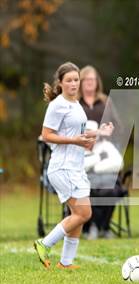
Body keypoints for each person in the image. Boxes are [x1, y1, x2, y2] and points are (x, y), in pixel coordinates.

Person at [33, 62, 114, 269]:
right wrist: (75, 142)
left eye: (76, 80)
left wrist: (99, 133)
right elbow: (47, 135)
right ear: (60, 83)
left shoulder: (76, 104)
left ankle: (65, 262)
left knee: (77, 216)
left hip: (76, 167)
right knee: (83, 213)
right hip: (62, 167)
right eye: (69, 80)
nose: (73, 84)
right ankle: (45, 243)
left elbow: (79, 134)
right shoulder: (57, 105)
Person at [79, 65, 121, 237]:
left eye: (93, 80)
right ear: (81, 83)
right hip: (82, 154)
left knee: (113, 188)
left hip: (104, 152)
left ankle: (103, 226)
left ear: (97, 82)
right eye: (86, 80)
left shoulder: (106, 102)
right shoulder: (75, 104)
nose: (90, 83)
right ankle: (90, 227)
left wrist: (109, 131)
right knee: (88, 187)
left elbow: (118, 128)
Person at [84, 120, 124, 239]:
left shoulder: (106, 145)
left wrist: (96, 167)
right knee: (89, 193)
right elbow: (81, 166)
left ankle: (103, 227)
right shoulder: (77, 148)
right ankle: (93, 226)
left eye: (92, 135)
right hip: (87, 184)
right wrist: (98, 158)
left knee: (112, 191)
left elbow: (118, 163)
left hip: (107, 182)